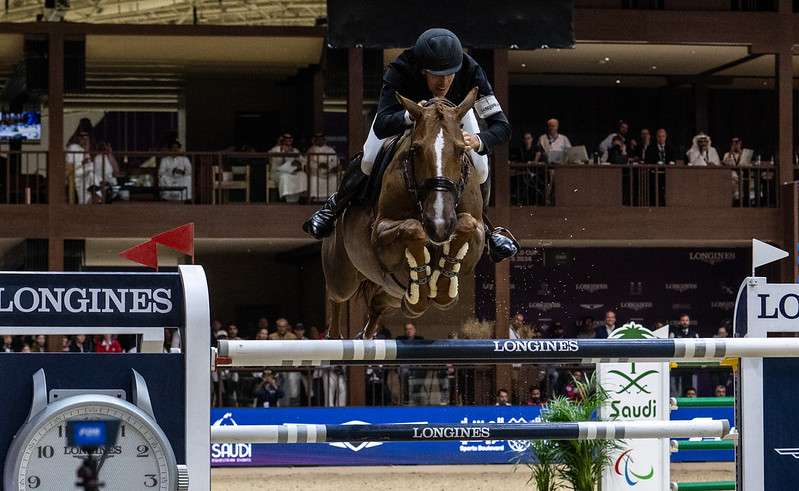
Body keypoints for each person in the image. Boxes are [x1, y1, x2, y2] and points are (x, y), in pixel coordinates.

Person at [303, 28, 517, 263]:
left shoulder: (471, 70)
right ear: (422, 68)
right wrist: (410, 116)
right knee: (368, 159)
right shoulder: (400, 69)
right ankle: (333, 207)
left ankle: (486, 228)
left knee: (482, 166)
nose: (443, 82)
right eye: (436, 75)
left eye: (449, 74)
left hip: (454, 118)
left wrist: (480, 140)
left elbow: (501, 127)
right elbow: (383, 123)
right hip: (405, 115)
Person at [306, 132, 339, 202]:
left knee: (334, 178)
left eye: (321, 139)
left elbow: (335, 161)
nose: (319, 141)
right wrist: (319, 166)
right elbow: (309, 162)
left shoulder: (330, 150)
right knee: (313, 179)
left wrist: (329, 167)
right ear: (315, 140)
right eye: (318, 139)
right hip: (316, 172)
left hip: (329, 172)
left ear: (324, 140)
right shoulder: (311, 150)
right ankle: (314, 198)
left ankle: (332, 199)